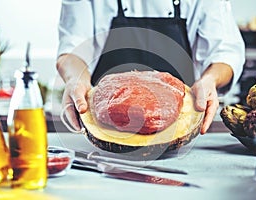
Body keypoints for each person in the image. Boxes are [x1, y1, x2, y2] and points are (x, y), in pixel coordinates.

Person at [56, 0, 245, 134]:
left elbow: (225, 52)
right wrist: (76, 78)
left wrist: (209, 80)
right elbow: (73, 48)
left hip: (180, 129)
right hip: (108, 129)